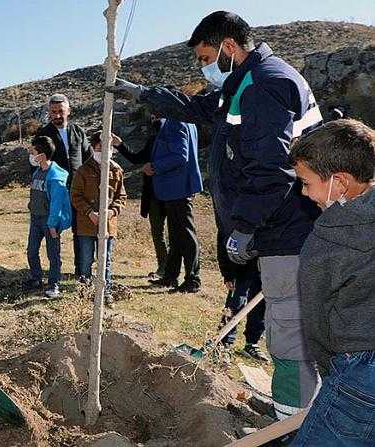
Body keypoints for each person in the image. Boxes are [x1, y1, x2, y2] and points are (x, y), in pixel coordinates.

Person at [107, 10, 322, 419]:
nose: (203, 67)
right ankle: (291, 406)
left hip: (284, 226)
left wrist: (243, 228)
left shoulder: (264, 85)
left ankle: (293, 420)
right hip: (275, 223)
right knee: (284, 317)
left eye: (205, 58)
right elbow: (199, 109)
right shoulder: (242, 82)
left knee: (289, 323)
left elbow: (271, 170)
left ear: (227, 47)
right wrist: (142, 93)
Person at [290, 119, 375, 446]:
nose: (303, 191)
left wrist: (333, 375)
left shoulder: (328, 241)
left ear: (339, 182)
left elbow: (317, 321)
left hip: (360, 373)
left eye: (306, 182)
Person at [142, 117, 202, 293]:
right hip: (176, 187)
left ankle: (193, 279)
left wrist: (155, 166)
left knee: (186, 234)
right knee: (176, 235)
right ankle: (170, 276)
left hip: (178, 187)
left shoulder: (175, 123)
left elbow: (180, 155)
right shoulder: (186, 122)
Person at [35, 94, 91, 279]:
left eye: (61, 111)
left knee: (80, 230)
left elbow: (89, 157)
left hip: (78, 190)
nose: (57, 115)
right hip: (54, 191)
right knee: (53, 230)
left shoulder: (78, 132)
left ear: (69, 111)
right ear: (49, 113)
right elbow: (35, 161)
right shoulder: (43, 134)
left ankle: (81, 271)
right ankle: (54, 274)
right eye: (53, 112)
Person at [70, 131, 127, 304]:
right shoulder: (83, 170)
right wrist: (89, 212)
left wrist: (112, 212)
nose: (104, 150)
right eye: (100, 147)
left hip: (108, 226)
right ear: (93, 147)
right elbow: (76, 195)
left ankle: (105, 292)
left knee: (106, 261)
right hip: (87, 224)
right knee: (86, 260)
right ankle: (85, 291)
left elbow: (121, 196)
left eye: (108, 147)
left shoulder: (116, 170)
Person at [115, 116, 168, 279]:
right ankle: (164, 267)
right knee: (157, 233)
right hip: (153, 195)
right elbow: (137, 158)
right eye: (152, 116)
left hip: (174, 194)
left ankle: (178, 271)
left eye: (158, 115)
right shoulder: (153, 140)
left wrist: (156, 167)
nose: (154, 119)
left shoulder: (178, 136)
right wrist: (120, 145)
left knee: (176, 233)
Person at [22, 135, 72, 299]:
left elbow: (57, 203)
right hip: (35, 219)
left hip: (49, 222)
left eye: (33, 151)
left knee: (53, 254)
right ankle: (36, 279)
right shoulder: (37, 172)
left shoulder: (56, 177)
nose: (31, 154)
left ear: (42, 155)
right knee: (31, 251)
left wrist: (52, 224)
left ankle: (54, 284)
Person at [216, 229, 267, 361]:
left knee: (260, 304)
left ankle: (252, 343)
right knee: (235, 301)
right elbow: (223, 237)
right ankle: (224, 342)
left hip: (266, 261)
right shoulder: (237, 212)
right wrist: (227, 272)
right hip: (241, 265)